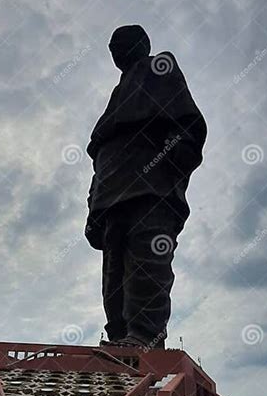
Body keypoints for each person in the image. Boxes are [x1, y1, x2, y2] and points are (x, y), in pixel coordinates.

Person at [85, 24, 207, 348]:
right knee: (113, 275)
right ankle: (121, 337)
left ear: (142, 43)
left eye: (121, 42)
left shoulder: (159, 68)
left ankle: (144, 337)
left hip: (151, 187)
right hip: (112, 195)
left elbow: (187, 123)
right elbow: (100, 158)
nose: (114, 48)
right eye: (111, 44)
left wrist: (172, 157)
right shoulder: (117, 94)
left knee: (146, 263)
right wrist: (93, 206)